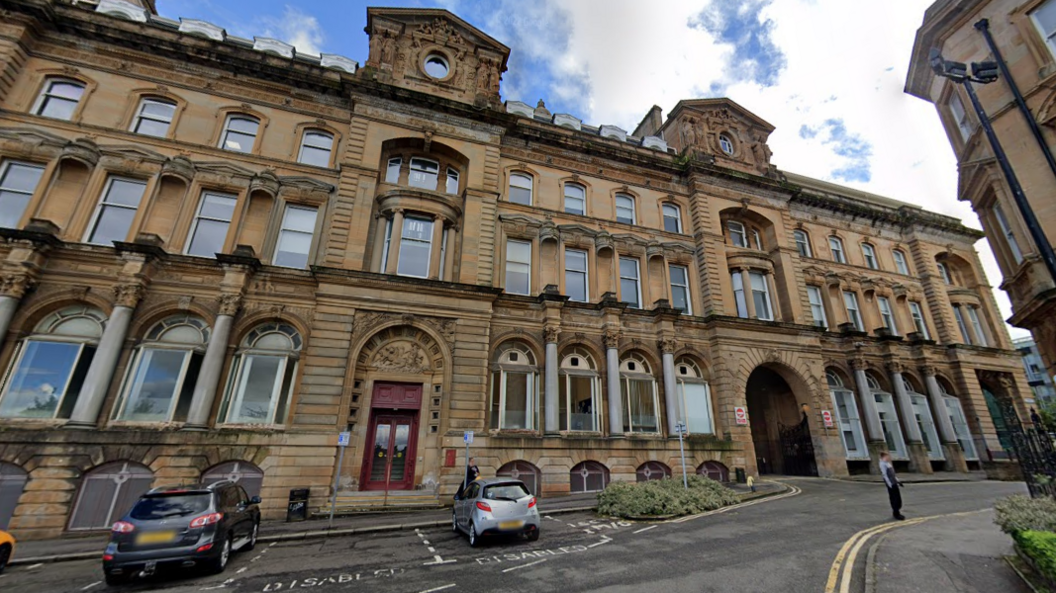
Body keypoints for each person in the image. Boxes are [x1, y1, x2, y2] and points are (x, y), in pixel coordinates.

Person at [879, 452, 905, 520]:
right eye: (887, 456)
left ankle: (897, 511)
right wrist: (889, 484)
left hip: (894, 483)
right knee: (894, 499)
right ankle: (896, 513)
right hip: (891, 484)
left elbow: (893, 474)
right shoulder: (882, 464)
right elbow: (885, 475)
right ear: (883, 457)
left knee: (898, 498)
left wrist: (898, 481)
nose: (889, 458)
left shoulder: (887, 463)